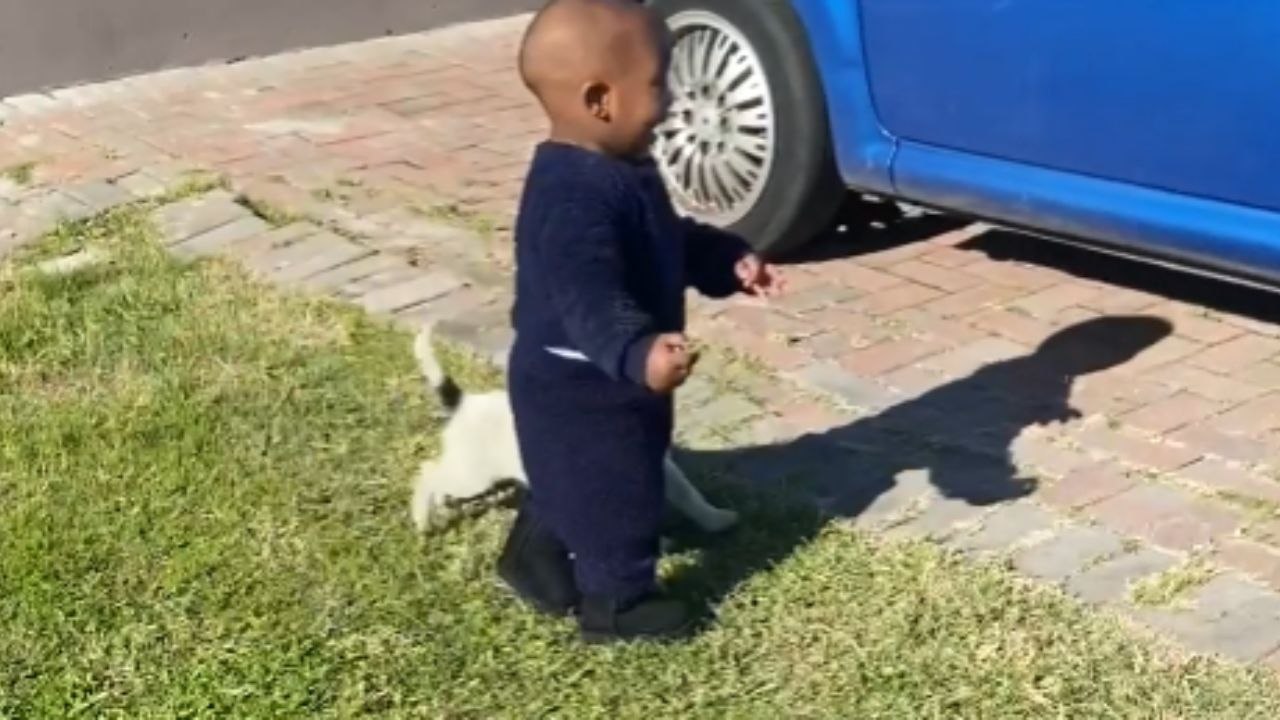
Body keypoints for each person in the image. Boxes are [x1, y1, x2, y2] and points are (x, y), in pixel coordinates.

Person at [497, 0, 782, 643]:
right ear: (600, 99)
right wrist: (636, 349)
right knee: (616, 491)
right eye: (658, 84)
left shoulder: (622, 170)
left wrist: (725, 260)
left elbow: (663, 240)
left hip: (606, 375)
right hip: (582, 382)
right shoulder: (572, 196)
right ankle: (617, 604)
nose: (671, 100)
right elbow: (585, 293)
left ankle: (535, 558)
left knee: (575, 478)